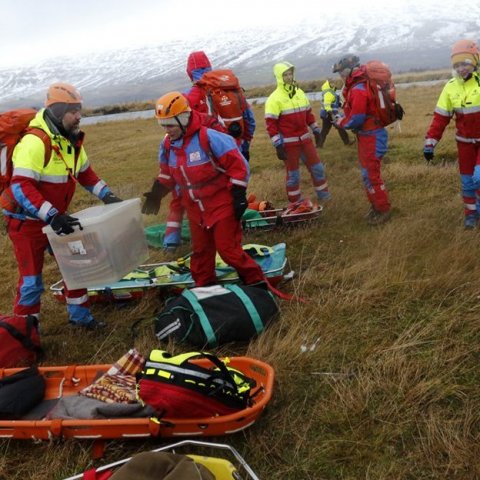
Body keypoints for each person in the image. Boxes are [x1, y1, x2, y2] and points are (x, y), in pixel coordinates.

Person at [2, 82, 122, 329]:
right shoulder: (35, 142)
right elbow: (21, 186)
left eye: (79, 109)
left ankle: (81, 320)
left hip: (56, 218)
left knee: (76, 268)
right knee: (31, 281)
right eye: (73, 110)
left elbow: (86, 173)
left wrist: (107, 195)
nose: (79, 116)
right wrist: (52, 215)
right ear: (57, 111)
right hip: (27, 224)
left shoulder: (71, 139)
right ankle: (25, 333)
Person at [141, 91, 265, 288]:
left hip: (221, 204)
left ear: (183, 119)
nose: (167, 130)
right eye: (163, 125)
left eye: (170, 124)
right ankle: (205, 288)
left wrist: (239, 195)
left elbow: (239, 166)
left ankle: (256, 281)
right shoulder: (167, 145)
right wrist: (156, 195)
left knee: (228, 250)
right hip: (195, 210)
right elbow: (167, 173)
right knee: (201, 252)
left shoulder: (210, 138)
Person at [423, 39, 480, 229]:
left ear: (475, 61)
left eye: (465, 63)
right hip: (464, 144)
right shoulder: (450, 87)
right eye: (457, 65)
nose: (461, 68)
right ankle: (471, 215)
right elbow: (440, 118)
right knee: (467, 183)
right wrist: (430, 142)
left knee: (478, 177)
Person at [333, 55, 391, 225]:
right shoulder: (360, 85)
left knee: (371, 175)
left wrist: (341, 122)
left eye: (342, 72)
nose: (341, 76)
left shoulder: (358, 88)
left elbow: (357, 118)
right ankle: (376, 206)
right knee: (368, 174)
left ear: (350, 71)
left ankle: (383, 210)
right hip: (369, 135)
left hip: (371, 136)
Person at [264, 61, 330, 210]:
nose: (288, 77)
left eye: (290, 74)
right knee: (293, 176)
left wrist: (316, 130)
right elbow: (271, 125)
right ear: (279, 77)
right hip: (288, 144)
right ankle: (296, 203)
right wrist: (278, 145)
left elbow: (308, 114)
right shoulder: (274, 99)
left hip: (305, 141)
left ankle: (324, 196)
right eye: (285, 75)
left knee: (318, 168)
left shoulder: (299, 93)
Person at [317, 79, 352, 147]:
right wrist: (331, 114)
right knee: (339, 127)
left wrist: (340, 104)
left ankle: (319, 145)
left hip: (328, 114)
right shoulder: (328, 93)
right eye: (332, 83)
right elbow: (327, 104)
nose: (334, 84)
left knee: (326, 130)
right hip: (330, 114)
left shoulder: (331, 92)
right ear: (329, 84)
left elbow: (333, 103)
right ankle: (347, 142)